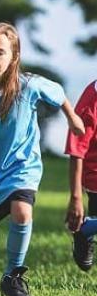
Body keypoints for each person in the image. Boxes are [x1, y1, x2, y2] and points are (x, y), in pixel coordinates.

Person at [0, 22, 85, 296]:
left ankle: (13, 277)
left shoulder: (29, 85)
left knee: (22, 212)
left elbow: (58, 94)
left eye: (0, 52)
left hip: (21, 167)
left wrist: (72, 118)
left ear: (14, 56)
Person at [64, 79, 97, 272]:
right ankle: (84, 230)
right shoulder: (92, 99)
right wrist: (76, 198)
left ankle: (87, 228)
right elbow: (76, 149)